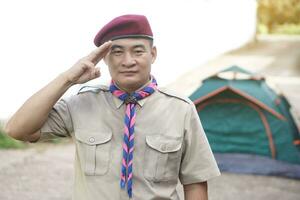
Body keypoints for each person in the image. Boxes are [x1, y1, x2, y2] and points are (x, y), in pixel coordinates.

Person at [5, 14, 220, 200]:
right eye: (117, 52)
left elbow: (195, 182)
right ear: (104, 58)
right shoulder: (82, 104)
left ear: (153, 54)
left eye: (138, 51)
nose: (128, 61)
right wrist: (67, 79)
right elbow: (17, 129)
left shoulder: (180, 109)